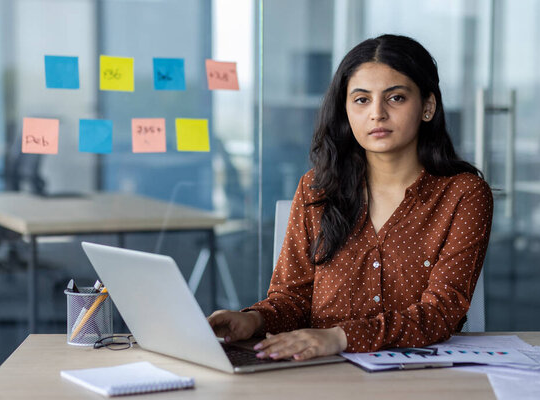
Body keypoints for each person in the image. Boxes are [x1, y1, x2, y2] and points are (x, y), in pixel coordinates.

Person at [208, 34, 493, 361]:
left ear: (427, 107)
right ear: (345, 110)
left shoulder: (463, 194)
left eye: (396, 98)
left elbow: (440, 313)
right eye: (361, 100)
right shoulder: (317, 188)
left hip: (420, 375)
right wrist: (252, 319)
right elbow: (293, 299)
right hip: (319, 370)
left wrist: (340, 337)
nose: (377, 114)